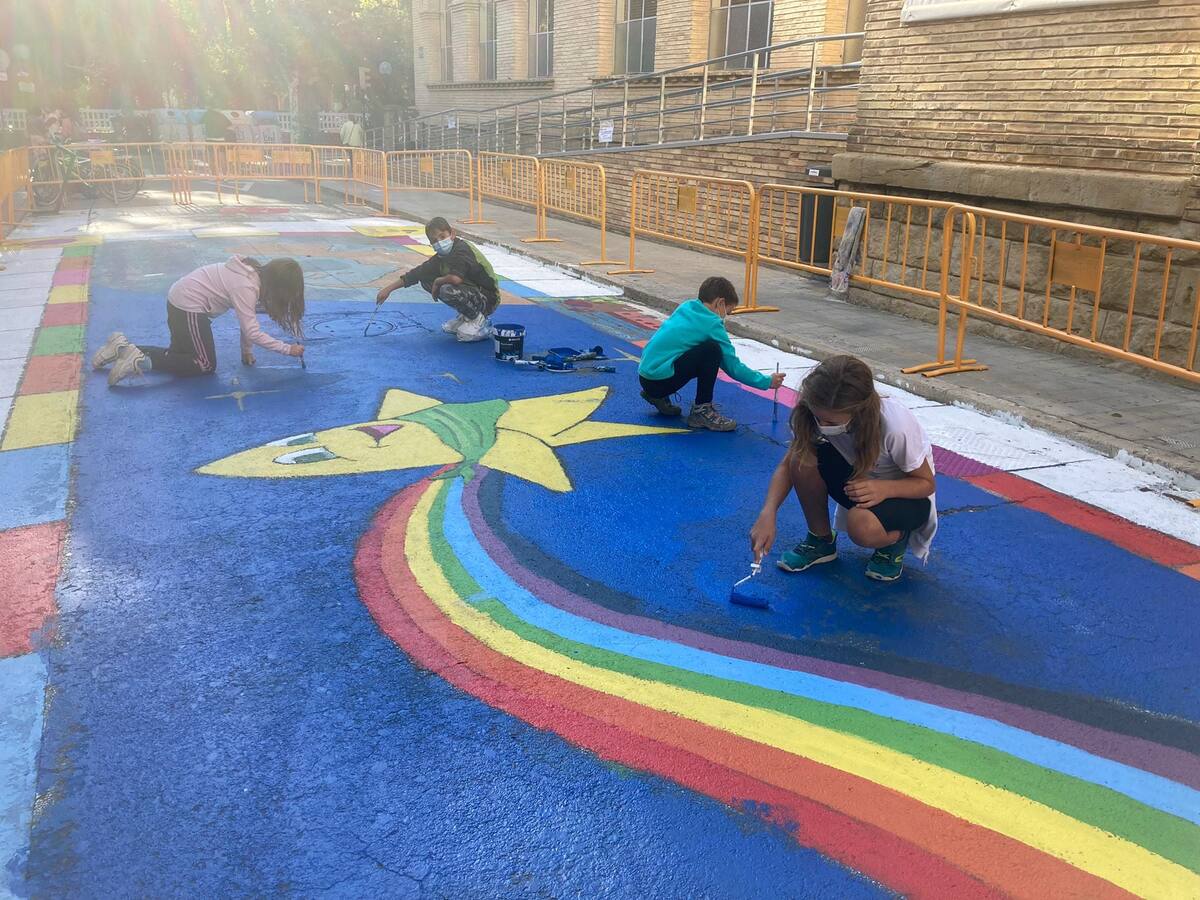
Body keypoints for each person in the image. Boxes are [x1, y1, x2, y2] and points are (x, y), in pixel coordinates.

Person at [750, 355, 937, 582]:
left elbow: (926, 484)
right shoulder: (814, 413)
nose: (822, 426)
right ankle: (821, 540)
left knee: (861, 526)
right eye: (819, 418)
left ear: (859, 411)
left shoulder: (895, 426)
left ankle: (895, 541)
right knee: (801, 459)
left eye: (831, 422)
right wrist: (768, 513)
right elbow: (787, 465)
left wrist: (884, 489)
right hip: (860, 485)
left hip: (905, 497)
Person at [93, 257, 306, 386]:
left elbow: (246, 319)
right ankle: (139, 362)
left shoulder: (252, 275)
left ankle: (122, 348)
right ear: (279, 286)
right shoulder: (246, 287)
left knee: (181, 357)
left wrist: (246, 352)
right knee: (204, 364)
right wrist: (288, 349)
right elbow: (252, 330)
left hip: (181, 300)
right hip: (189, 306)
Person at [637, 276, 785, 432]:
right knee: (712, 350)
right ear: (720, 303)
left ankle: (656, 396)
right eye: (727, 311)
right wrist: (766, 381)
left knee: (694, 349)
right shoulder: (712, 324)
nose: (724, 316)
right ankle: (702, 410)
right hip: (659, 383)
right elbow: (732, 366)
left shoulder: (687, 307)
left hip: (645, 377)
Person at [375, 217, 500, 343]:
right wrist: (388, 290)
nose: (439, 242)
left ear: (452, 233)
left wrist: (438, 281)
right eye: (434, 240)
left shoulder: (462, 249)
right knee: (426, 280)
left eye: (442, 236)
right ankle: (466, 316)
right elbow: (416, 274)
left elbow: (456, 279)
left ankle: (478, 320)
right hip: (473, 294)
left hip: (488, 298)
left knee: (446, 289)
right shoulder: (440, 258)